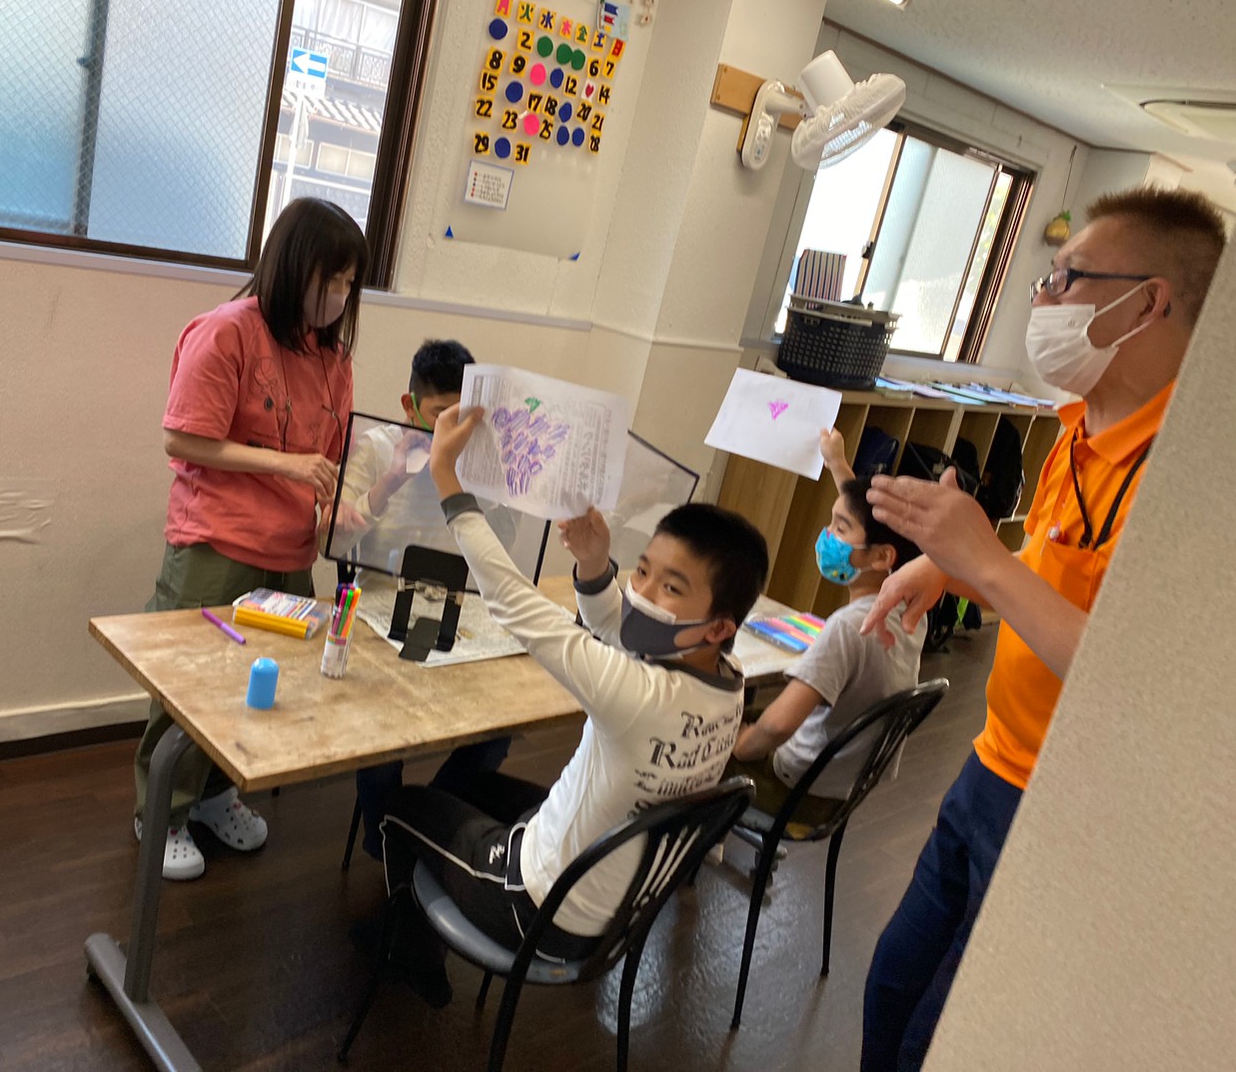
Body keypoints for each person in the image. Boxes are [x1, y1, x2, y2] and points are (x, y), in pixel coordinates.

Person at [857, 187, 1228, 1070]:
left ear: (1147, 303)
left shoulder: (1192, 481)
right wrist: (946, 565)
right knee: (891, 986)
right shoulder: (1077, 426)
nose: (1043, 297)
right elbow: (1045, 567)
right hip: (989, 763)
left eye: (1067, 277)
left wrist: (979, 560)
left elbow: (1128, 678)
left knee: (944, 1039)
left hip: (1067, 807)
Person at [367, 402, 770, 1006]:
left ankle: (410, 957)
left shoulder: (638, 695)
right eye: (642, 571)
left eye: (671, 587)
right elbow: (619, 631)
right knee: (470, 785)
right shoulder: (728, 681)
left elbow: (513, 602)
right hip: (614, 903)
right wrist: (593, 564)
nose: (643, 593)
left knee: (400, 806)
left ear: (718, 626)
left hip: (541, 912)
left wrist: (450, 482)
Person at [132, 198, 368, 882]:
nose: (339, 295)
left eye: (349, 283)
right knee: (192, 682)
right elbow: (182, 438)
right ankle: (161, 812)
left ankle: (213, 797)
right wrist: (288, 466)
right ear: (292, 267)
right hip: (217, 544)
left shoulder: (333, 359)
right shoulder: (227, 332)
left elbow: (327, 461)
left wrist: (335, 512)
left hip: (289, 552)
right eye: (330, 279)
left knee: (260, 683)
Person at [331, 339, 513, 860]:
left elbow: (502, 547)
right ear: (409, 406)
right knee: (381, 733)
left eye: (464, 416)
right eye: (440, 415)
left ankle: (422, 819)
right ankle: (387, 841)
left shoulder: (476, 454)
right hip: (381, 612)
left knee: (498, 730)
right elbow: (334, 538)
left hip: (460, 613)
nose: (453, 429)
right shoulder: (375, 448)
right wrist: (392, 479)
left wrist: (495, 480)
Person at [726, 429, 925, 828]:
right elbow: (863, 512)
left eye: (840, 529)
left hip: (799, 792)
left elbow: (778, 726)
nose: (827, 536)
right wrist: (837, 463)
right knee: (738, 713)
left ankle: (697, 842)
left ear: (882, 556)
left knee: (698, 736)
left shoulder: (849, 629)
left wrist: (737, 746)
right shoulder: (913, 607)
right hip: (845, 783)